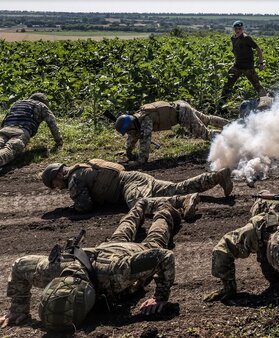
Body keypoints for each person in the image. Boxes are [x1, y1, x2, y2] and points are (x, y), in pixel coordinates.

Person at [0, 199, 188, 331]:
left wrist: (160, 297)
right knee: (125, 227)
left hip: (129, 253)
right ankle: (140, 204)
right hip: (105, 248)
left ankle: (166, 209)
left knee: (156, 237)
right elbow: (20, 265)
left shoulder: (116, 273)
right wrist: (18, 309)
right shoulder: (51, 271)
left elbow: (163, 257)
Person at [41, 158, 233, 214]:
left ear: (58, 175)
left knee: (137, 204)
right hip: (135, 177)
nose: (57, 188)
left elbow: (85, 206)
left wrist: (72, 209)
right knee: (178, 186)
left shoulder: (74, 179)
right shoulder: (82, 167)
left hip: (129, 184)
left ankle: (182, 202)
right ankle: (217, 177)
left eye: (54, 184)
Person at [114, 100, 229, 164]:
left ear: (131, 125)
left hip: (182, 114)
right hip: (181, 105)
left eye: (128, 130)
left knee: (205, 134)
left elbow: (145, 143)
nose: (129, 133)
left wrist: (140, 161)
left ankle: (230, 137)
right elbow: (132, 139)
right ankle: (231, 125)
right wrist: (129, 153)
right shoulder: (137, 119)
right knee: (206, 119)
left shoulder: (145, 121)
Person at [0, 93, 63, 167]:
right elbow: (52, 123)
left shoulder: (16, 103)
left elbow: (4, 120)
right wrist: (59, 141)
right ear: (44, 101)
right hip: (21, 131)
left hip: (5, 130)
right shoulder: (41, 105)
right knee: (10, 149)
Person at [220, 20, 267, 103]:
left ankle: (266, 103)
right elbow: (236, 51)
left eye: (239, 28)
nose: (237, 30)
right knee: (227, 84)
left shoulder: (247, 38)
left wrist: (261, 63)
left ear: (242, 29)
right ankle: (221, 105)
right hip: (237, 66)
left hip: (248, 67)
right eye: (236, 28)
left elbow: (258, 49)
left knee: (257, 86)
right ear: (233, 29)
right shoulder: (233, 39)